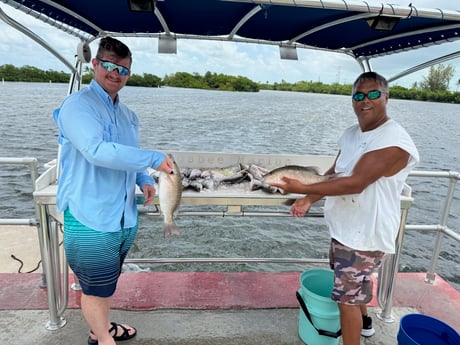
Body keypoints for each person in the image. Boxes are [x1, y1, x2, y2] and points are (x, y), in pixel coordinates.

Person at [271, 71, 419, 345]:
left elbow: (356, 183)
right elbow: (335, 174)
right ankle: (365, 324)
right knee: (355, 287)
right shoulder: (351, 134)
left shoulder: (394, 140)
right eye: (359, 95)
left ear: (386, 97)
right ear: (352, 100)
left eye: (373, 94)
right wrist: (309, 198)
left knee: (346, 301)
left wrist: (301, 188)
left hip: (366, 235)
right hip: (345, 228)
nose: (366, 101)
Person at [55, 36, 174, 345]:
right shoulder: (78, 106)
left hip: (123, 218)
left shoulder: (127, 115)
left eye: (123, 69)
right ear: (95, 64)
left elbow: (125, 154)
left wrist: (144, 179)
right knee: (94, 290)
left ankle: (102, 329)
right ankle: (104, 340)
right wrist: (154, 159)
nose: (115, 74)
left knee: (106, 285)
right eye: (108, 65)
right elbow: (96, 150)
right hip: (89, 217)